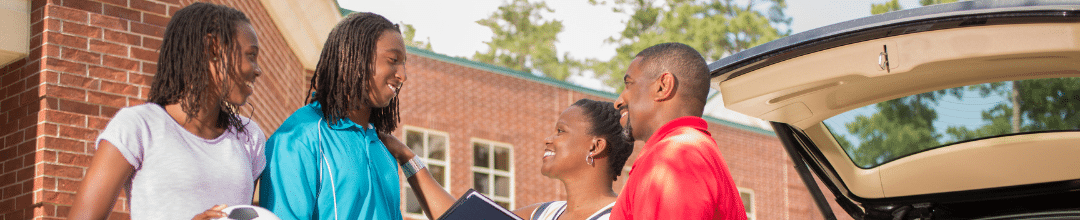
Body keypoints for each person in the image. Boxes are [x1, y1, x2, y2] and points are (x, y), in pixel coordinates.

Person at [67, 2, 266, 219]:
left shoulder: (249, 137)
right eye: (251, 55)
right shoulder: (138, 126)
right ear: (213, 49)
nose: (258, 70)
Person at [259, 12, 453, 220]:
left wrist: (407, 156)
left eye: (403, 63)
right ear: (356, 57)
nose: (403, 75)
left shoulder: (383, 149)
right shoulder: (299, 137)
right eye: (393, 60)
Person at [610, 42, 746, 220]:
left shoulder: (676, 154)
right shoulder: (690, 149)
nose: (618, 101)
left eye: (629, 84)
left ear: (663, 86)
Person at [509, 99, 634, 220]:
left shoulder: (623, 216)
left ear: (595, 147)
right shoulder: (541, 214)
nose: (547, 139)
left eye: (560, 131)